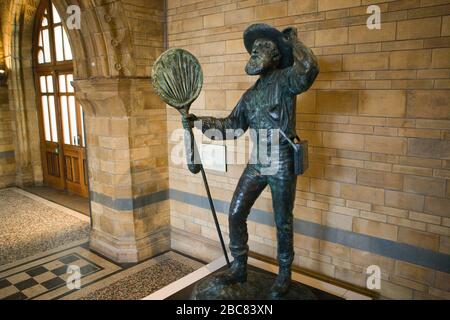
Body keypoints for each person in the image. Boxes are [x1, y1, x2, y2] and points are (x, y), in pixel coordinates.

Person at [184, 23, 319, 298]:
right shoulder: (251, 95)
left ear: (277, 57)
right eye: (253, 49)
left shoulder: (286, 81)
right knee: (236, 212)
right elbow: (232, 126)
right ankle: (239, 266)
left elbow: (310, 70)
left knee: (283, 221)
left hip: (281, 160)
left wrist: (293, 42)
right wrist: (198, 123)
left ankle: (283, 275)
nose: (255, 53)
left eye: (262, 48)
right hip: (257, 162)